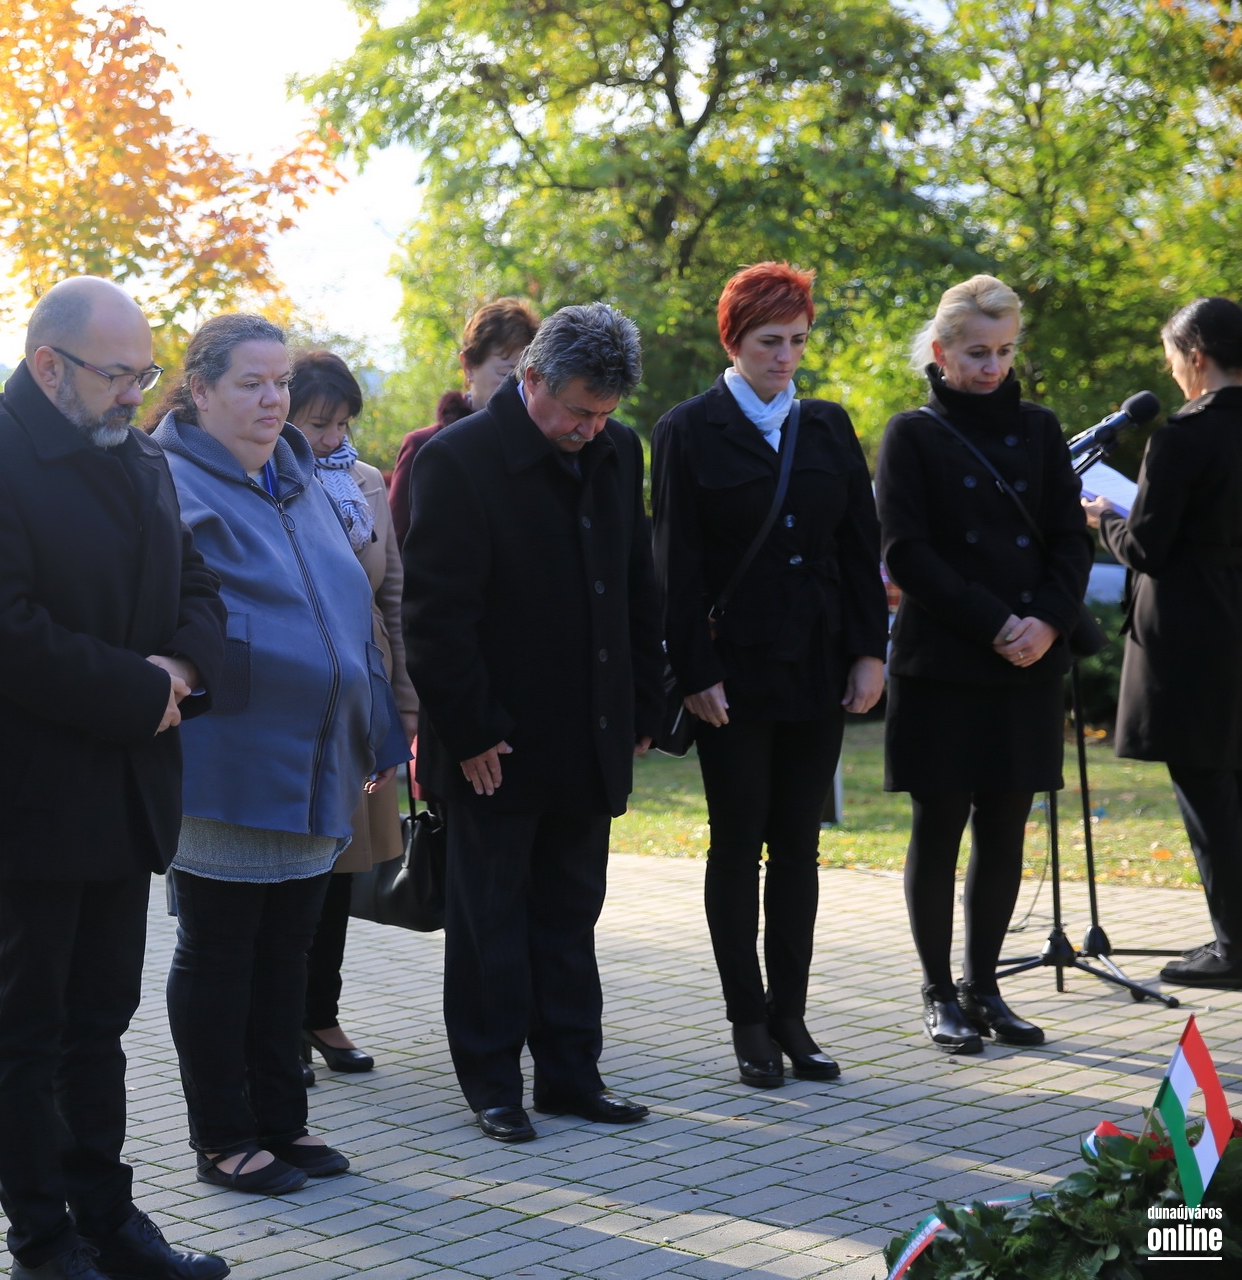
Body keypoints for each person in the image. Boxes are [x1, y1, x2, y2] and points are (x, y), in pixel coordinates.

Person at [0, 278, 230, 1280]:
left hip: (131, 787)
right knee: (31, 1028)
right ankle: (43, 1242)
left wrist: (182, 670)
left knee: (100, 1027)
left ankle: (108, 1221)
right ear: (47, 364)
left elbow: (196, 585)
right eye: (117, 374)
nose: (136, 393)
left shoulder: (138, 453)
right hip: (36, 798)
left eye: (145, 372)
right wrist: (141, 690)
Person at [151, 315, 406, 1194]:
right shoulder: (166, 479)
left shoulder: (300, 478)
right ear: (200, 390)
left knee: (286, 954)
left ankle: (282, 1122)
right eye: (250, 383)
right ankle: (224, 1138)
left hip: (320, 758)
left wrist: (380, 722)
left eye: (281, 383)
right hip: (229, 758)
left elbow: (351, 610)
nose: (273, 400)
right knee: (220, 954)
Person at [401, 303, 663, 1144]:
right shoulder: (457, 459)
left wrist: (643, 701)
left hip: (589, 729)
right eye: (579, 411)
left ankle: (572, 1075)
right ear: (533, 377)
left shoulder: (620, 450)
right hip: (496, 742)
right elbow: (435, 617)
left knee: (571, 911)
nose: (590, 430)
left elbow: (635, 584)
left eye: (605, 414)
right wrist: (473, 729)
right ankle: (491, 1084)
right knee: (490, 919)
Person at [650, 264, 886, 1087]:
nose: (785, 357)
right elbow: (674, 562)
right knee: (737, 843)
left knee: (798, 848)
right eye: (769, 342)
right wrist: (694, 671)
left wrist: (869, 651)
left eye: (797, 341)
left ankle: (792, 1014)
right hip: (733, 674)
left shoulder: (827, 425)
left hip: (817, 662)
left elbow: (859, 546)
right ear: (734, 341)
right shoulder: (688, 428)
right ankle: (747, 1020)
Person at [876, 275, 1092, 1053]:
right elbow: (906, 552)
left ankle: (985, 987)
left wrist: (1049, 621)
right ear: (941, 352)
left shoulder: (1040, 428)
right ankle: (939, 992)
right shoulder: (912, 434)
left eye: (1003, 351)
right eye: (976, 353)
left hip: (1027, 659)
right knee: (939, 825)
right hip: (944, 660)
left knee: (1005, 825)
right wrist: (997, 622)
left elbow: (1070, 537)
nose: (992, 367)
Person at [1086, 297, 1242, 988]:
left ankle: (1234, 947)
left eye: (1174, 357)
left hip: (1193, 632)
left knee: (1207, 790)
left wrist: (1102, 519)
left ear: (1196, 356)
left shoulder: (1183, 436)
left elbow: (1147, 546)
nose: (1173, 370)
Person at [286, 350, 420, 1081]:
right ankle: (277, 1023)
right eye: (318, 424)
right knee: (292, 865)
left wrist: (404, 705)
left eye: (341, 424)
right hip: (296, 698)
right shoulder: (265, 480)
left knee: (342, 865)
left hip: (362, 696)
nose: (332, 438)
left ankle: (320, 1011)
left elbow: (392, 595)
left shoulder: (367, 482)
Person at [388, 299, 540, 543]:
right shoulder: (424, 446)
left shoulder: (540, 447)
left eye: (525, 378)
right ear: (468, 366)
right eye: (505, 374)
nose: (517, 387)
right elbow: (398, 543)